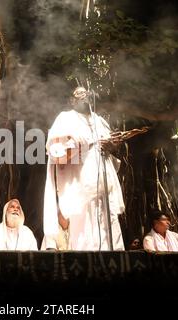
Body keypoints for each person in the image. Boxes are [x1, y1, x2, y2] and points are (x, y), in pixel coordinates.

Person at [43, 87, 126, 251]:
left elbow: (110, 149)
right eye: (79, 94)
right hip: (80, 185)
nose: (85, 96)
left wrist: (111, 145)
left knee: (111, 226)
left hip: (104, 183)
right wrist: (81, 144)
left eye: (87, 93)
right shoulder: (65, 118)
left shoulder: (100, 121)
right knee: (84, 232)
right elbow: (56, 152)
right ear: (72, 101)